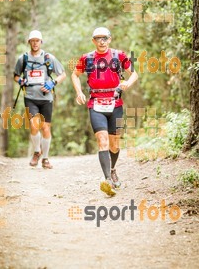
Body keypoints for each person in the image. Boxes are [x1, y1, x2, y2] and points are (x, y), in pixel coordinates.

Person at [71, 27, 138, 196]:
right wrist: (79, 92)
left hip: (115, 104)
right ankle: (107, 179)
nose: (101, 41)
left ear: (110, 39)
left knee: (115, 145)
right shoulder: (87, 58)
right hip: (96, 104)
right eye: (98, 38)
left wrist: (128, 83)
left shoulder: (119, 55)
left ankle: (113, 169)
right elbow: (74, 74)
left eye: (104, 38)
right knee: (102, 141)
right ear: (93, 41)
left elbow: (135, 73)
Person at [14, 30, 66, 169]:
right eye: (33, 40)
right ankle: (37, 152)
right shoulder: (23, 58)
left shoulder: (49, 58)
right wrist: (21, 81)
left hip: (46, 98)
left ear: (41, 42)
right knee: (34, 124)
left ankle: (46, 158)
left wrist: (52, 83)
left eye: (37, 40)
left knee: (45, 127)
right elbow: (16, 75)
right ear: (29, 42)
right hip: (30, 97)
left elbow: (63, 74)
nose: (35, 43)